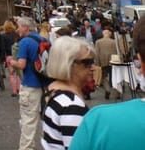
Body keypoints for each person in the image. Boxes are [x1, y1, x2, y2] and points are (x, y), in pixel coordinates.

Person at [70, 18, 145, 150]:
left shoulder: (99, 123)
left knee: (106, 78)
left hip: (106, 62)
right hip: (109, 61)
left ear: (140, 63)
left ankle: (109, 89)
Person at [41, 36, 93, 150]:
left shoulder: (53, 91)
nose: (92, 67)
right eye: (87, 63)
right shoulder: (71, 105)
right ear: (69, 65)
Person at [14, 16, 47, 150]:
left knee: (28, 120)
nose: (17, 29)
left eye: (19, 26)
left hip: (30, 84)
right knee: (41, 117)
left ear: (26, 27)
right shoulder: (42, 39)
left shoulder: (25, 42)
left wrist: (11, 62)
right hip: (43, 83)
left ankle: (26, 148)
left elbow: (21, 64)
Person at [93, 27, 117, 100]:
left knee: (103, 77)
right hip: (113, 61)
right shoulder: (114, 42)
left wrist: (97, 63)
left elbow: (96, 53)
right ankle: (117, 92)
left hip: (102, 61)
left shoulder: (98, 42)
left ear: (103, 34)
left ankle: (107, 89)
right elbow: (117, 52)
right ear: (109, 34)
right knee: (114, 76)